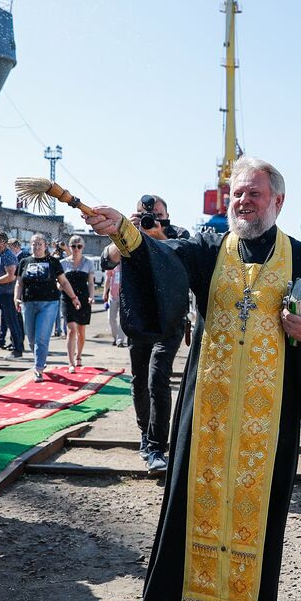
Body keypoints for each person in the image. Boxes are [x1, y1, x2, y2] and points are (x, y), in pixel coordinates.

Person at [83, 156, 301, 601]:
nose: (243, 202)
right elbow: (163, 258)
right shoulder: (210, 247)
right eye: (237, 194)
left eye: (254, 194)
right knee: (193, 502)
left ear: (278, 201)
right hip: (207, 407)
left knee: (256, 517)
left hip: (269, 416)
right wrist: (126, 234)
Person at [101, 195, 185, 475]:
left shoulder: (178, 234)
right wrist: (125, 231)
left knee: (158, 378)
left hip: (170, 319)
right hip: (138, 319)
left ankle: (158, 447)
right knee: (139, 383)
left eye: (157, 214)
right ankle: (145, 437)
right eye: (145, 214)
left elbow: (182, 257)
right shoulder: (128, 235)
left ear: (167, 214)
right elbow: (107, 261)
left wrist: (157, 233)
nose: (151, 218)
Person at [15, 233, 80, 381]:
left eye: (40, 244)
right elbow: (19, 283)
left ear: (45, 246)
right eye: (34, 244)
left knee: (41, 337)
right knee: (31, 338)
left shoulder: (53, 262)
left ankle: (38, 368)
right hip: (28, 303)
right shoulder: (24, 262)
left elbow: (63, 282)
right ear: (30, 245)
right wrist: (16, 298)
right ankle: (40, 359)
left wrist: (74, 297)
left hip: (49, 304)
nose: (37, 247)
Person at [62, 235, 94, 373]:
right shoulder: (63, 263)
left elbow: (91, 283)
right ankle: (71, 362)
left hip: (84, 299)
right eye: (73, 246)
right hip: (67, 299)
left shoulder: (88, 263)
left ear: (83, 247)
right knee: (72, 329)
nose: (76, 249)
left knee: (81, 331)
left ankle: (79, 356)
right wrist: (58, 285)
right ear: (69, 247)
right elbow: (59, 280)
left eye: (79, 246)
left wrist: (92, 297)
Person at [0, 231, 23, 357]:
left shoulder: (8, 255)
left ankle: (18, 349)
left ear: (3, 242)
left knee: (11, 321)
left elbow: (11, 276)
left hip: (7, 294)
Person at [104, 261, 126, 346]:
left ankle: (120, 340)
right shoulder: (112, 265)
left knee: (122, 319)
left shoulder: (126, 265)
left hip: (124, 297)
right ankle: (115, 337)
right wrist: (105, 292)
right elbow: (108, 279)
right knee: (111, 318)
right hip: (113, 296)